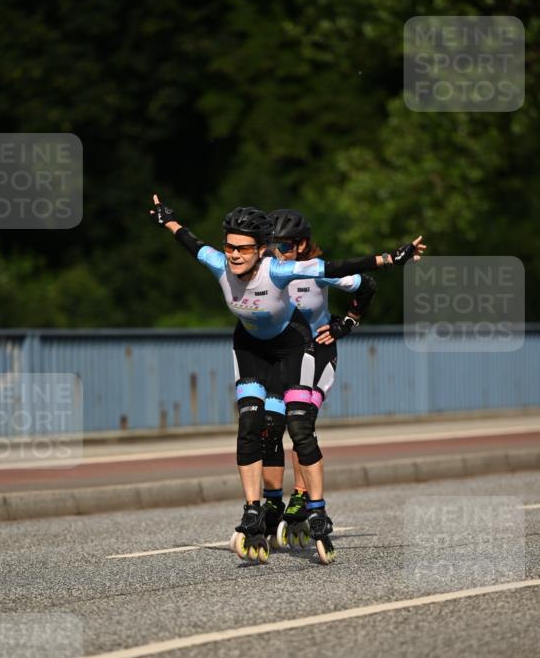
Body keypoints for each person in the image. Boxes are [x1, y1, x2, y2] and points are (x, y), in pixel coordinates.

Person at [150, 193, 425, 564]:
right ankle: (262, 506)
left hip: (305, 347)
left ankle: (312, 505)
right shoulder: (223, 262)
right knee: (260, 424)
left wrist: (377, 277)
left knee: (298, 423)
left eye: (246, 248)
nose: (234, 255)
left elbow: (351, 271)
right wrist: (168, 219)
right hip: (254, 348)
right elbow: (192, 242)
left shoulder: (293, 269)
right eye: (229, 247)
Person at [260, 209, 377, 548]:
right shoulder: (265, 269)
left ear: (302, 244)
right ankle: (271, 499)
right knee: (268, 427)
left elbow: (366, 285)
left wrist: (348, 322)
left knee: (300, 425)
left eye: (282, 245)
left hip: (315, 352)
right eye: (270, 244)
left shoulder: (315, 271)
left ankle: (300, 495)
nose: (275, 251)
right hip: (278, 358)